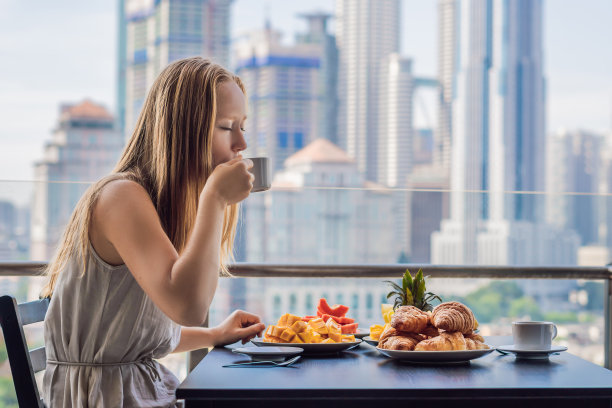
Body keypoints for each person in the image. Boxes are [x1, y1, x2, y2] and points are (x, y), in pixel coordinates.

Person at [41, 57, 265, 407]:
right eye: (225, 127)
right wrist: (216, 198)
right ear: (183, 130)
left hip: (133, 390)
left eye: (242, 127)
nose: (241, 144)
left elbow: (128, 336)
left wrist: (214, 334)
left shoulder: (152, 204)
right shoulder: (121, 196)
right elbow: (188, 305)